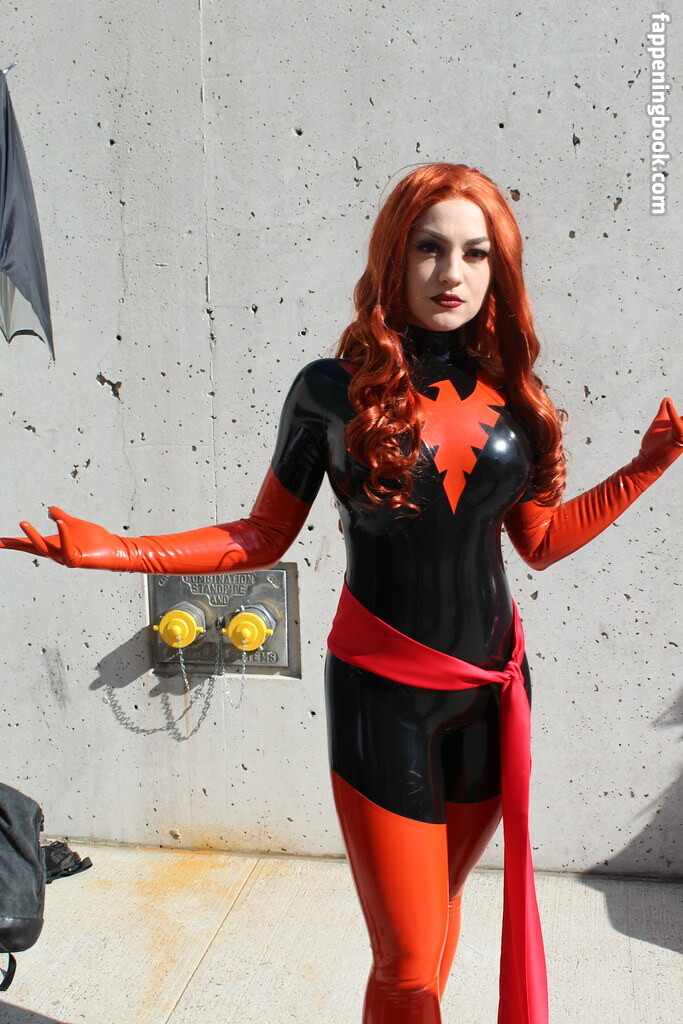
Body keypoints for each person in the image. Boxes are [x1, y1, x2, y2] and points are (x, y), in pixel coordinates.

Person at [1, 163, 681, 1024]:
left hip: (491, 693)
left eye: (475, 253)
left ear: (499, 268)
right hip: (381, 696)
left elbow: (539, 542)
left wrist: (645, 466)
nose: (451, 273)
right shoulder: (331, 391)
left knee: (434, 920)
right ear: (394, 256)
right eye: (429, 248)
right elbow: (262, 534)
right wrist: (118, 553)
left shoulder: (513, 393)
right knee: (404, 963)